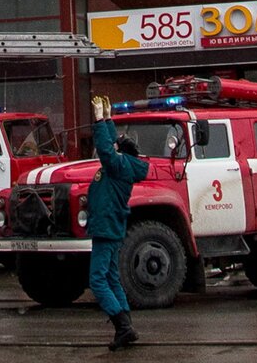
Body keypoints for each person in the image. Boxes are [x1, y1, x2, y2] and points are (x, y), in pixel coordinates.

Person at [88, 94, 149, 351]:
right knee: (112, 277)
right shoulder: (124, 165)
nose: (115, 147)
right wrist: (109, 119)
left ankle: (123, 326)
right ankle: (125, 327)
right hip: (110, 227)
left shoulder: (119, 165)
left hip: (106, 228)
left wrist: (100, 121)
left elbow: (105, 148)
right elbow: (111, 145)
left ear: (122, 154)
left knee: (98, 280)